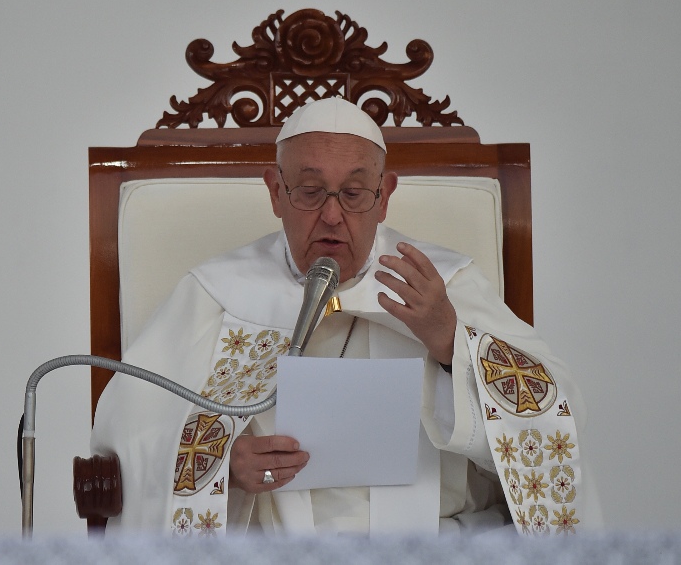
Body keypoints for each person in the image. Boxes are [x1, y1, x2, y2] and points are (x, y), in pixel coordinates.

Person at [91, 97, 600, 537]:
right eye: (310, 191)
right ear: (275, 192)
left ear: (385, 196)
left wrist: (452, 344)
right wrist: (220, 466)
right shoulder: (219, 291)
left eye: (354, 193)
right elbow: (127, 436)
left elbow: (560, 420)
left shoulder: (444, 287)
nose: (332, 215)